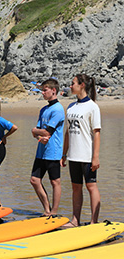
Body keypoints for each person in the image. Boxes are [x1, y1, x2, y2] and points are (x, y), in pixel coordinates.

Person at [61, 74, 101, 227]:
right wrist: (64, 154)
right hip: (73, 155)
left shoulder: (92, 107)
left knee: (91, 186)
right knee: (76, 187)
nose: (70, 86)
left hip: (87, 154)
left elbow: (96, 133)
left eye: (73, 84)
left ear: (82, 85)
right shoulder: (71, 106)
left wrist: (95, 157)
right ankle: (75, 220)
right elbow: (68, 132)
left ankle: (93, 221)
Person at [30, 79, 65, 216]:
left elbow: (47, 131)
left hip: (53, 151)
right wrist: (38, 136)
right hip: (41, 151)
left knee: (55, 181)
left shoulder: (58, 109)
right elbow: (38, 132)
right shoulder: (44, 109)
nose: (42, 93)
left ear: (53, 91)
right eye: (42, 90)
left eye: (45, 90)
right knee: (34, 180)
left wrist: (36, 132)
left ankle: (54, 212)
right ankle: (47, 209)